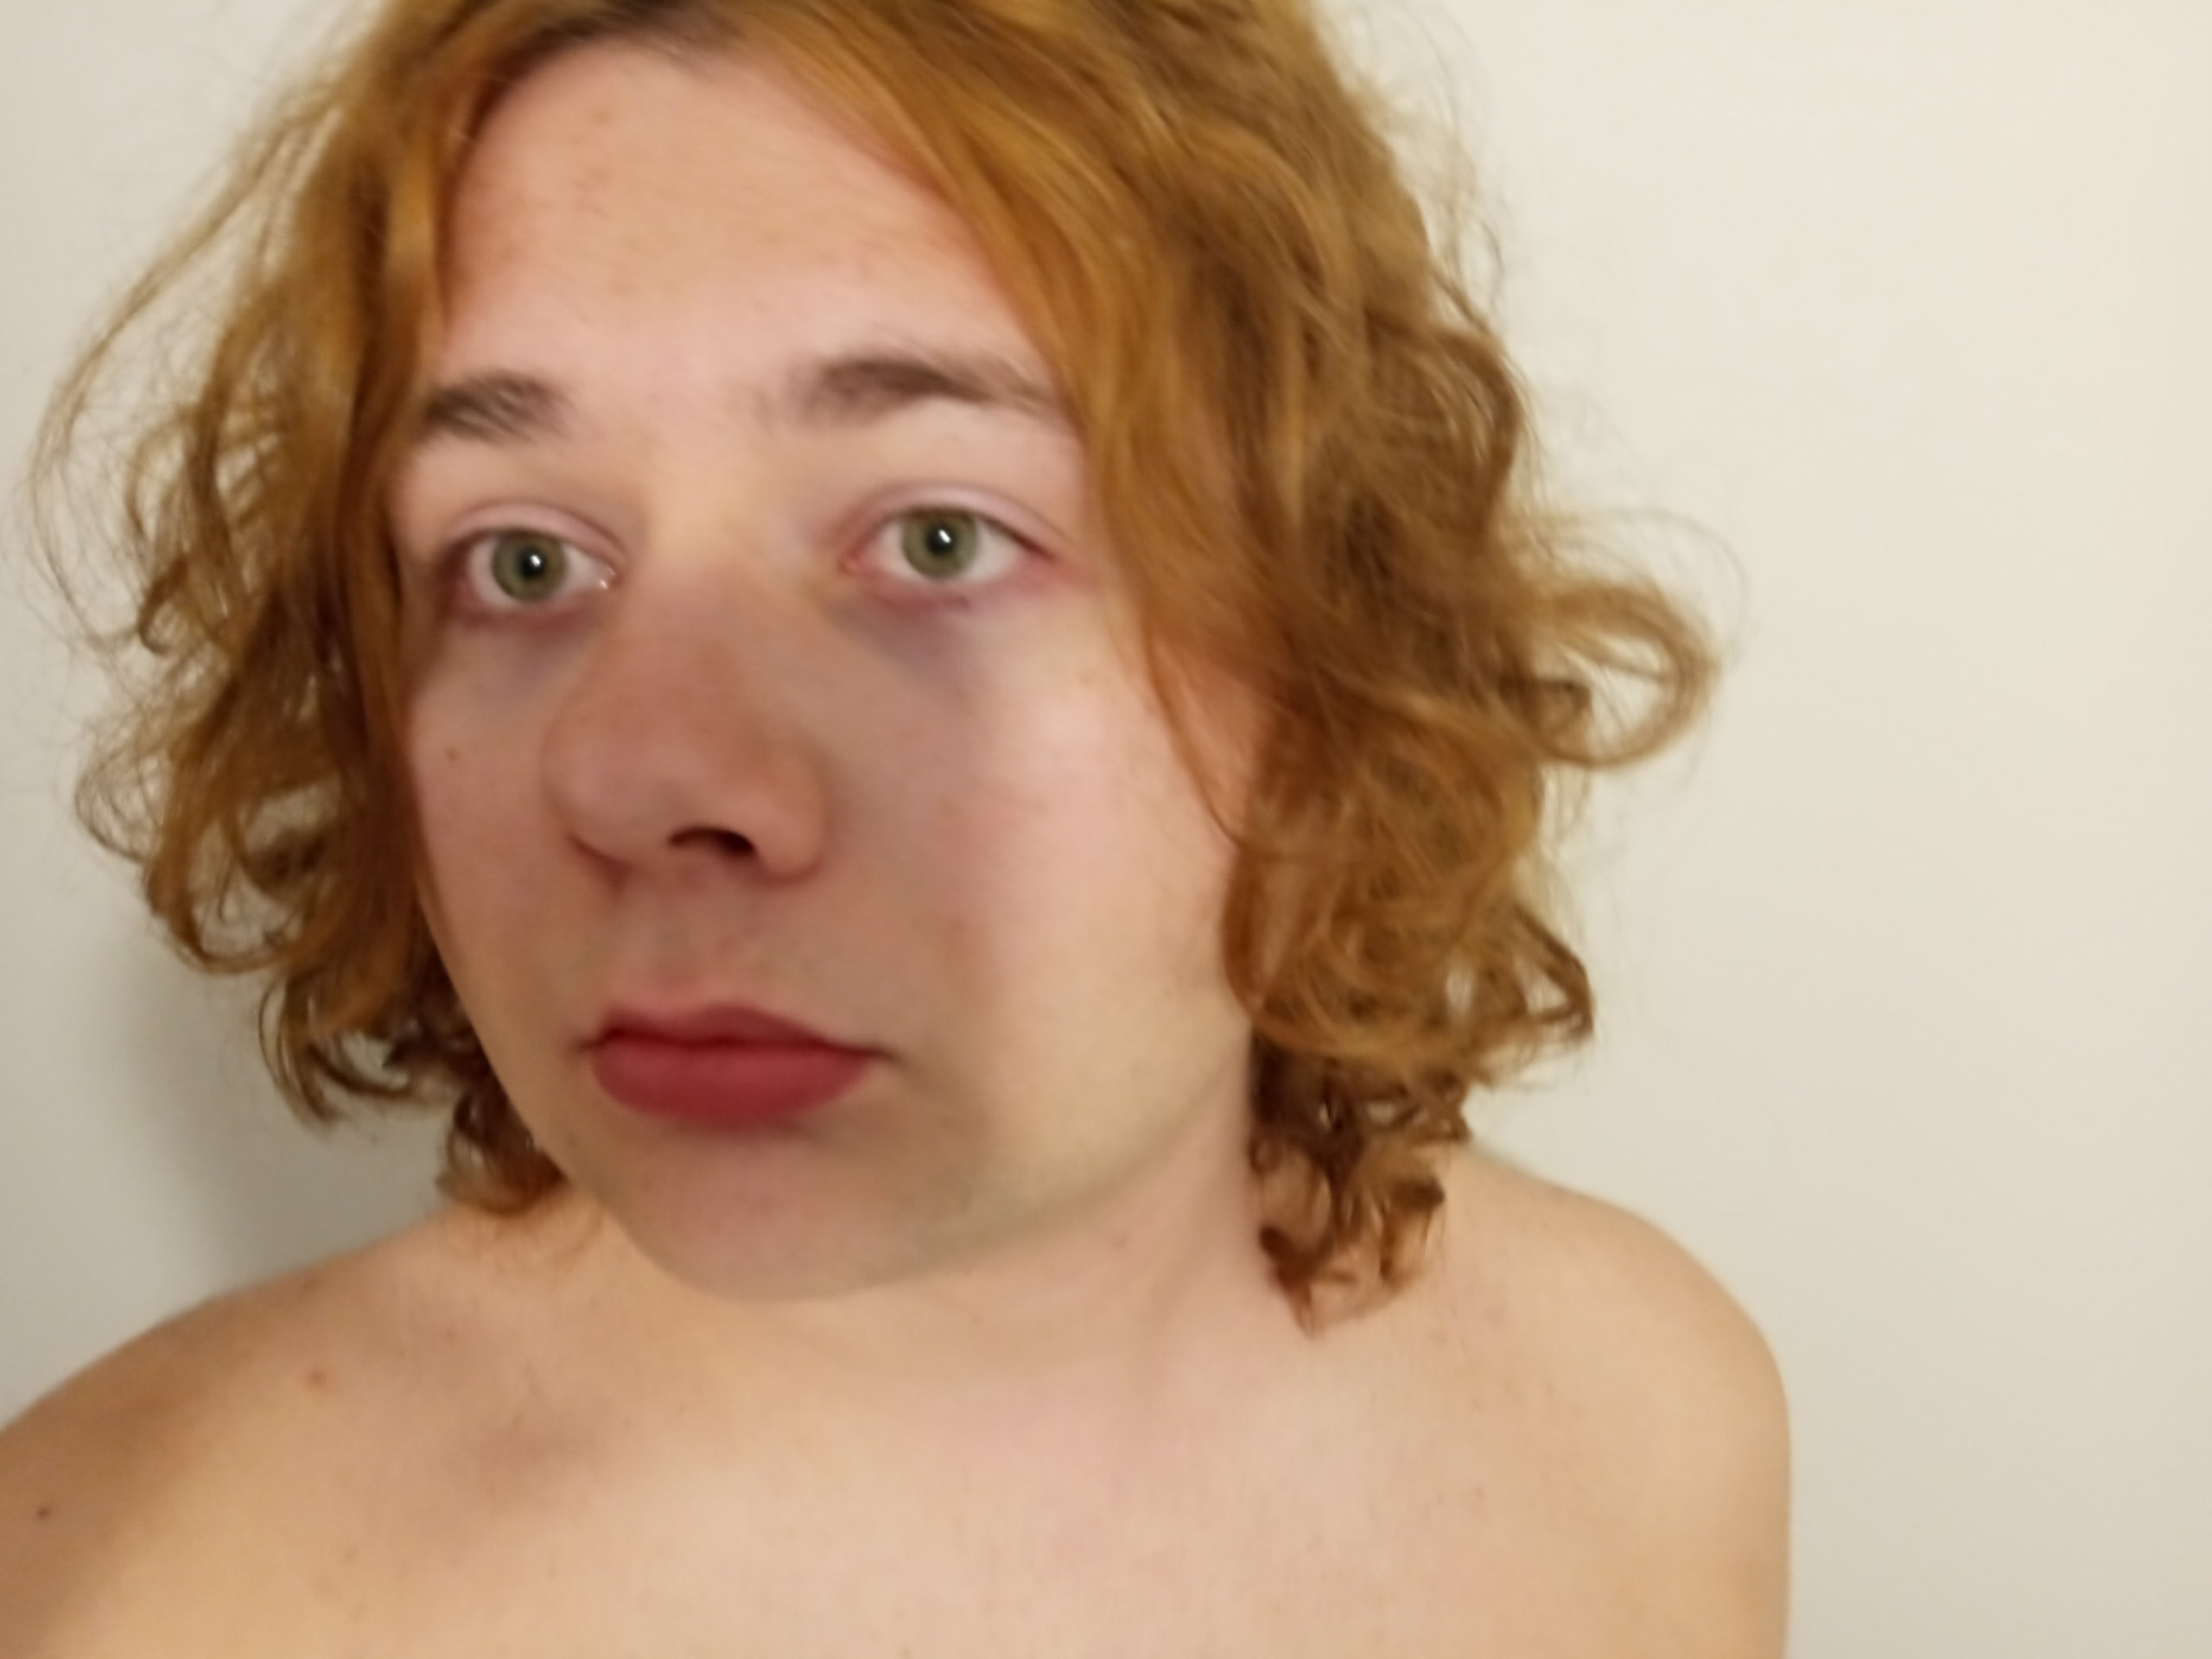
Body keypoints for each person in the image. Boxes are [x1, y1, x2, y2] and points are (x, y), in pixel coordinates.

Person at [1, 0, 1789, 1649]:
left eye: (939, 539)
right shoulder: (123, 1593)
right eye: (522, 560)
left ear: (1339, 646)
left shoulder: (1636, 1422)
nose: (649, 774)